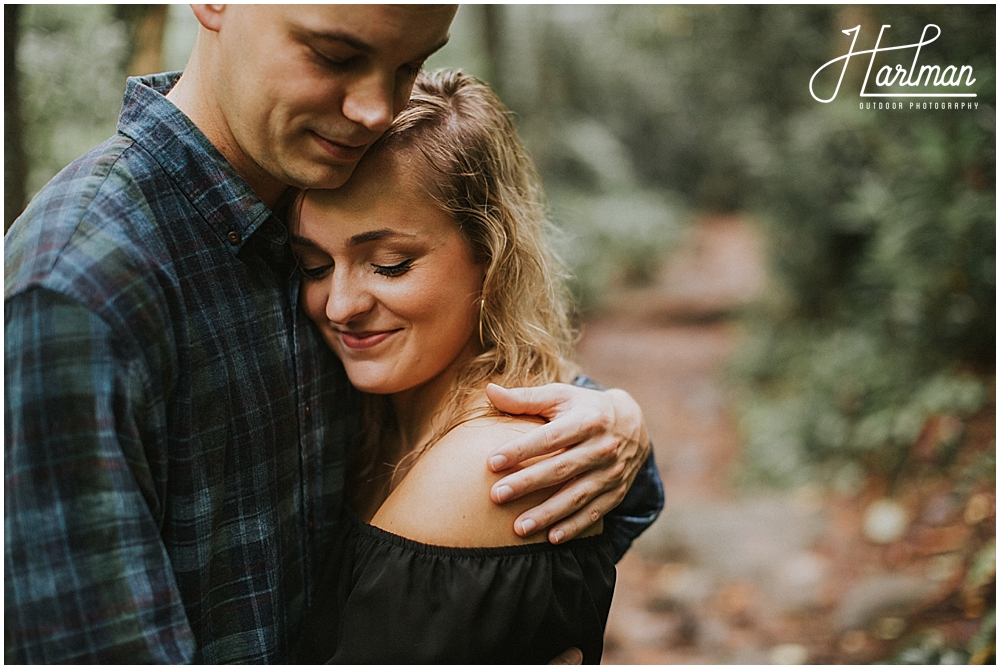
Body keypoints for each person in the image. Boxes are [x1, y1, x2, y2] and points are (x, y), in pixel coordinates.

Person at [4, 5, 662, 664]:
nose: (377, 110)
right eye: (335, 55)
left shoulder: (317, 183)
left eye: (410, 64)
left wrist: (615, 426)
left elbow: (510, 487)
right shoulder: (79, 290)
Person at [291, 69, 628, 664]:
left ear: (489, 254)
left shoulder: (491, 470)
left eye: (390, 264)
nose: (340, 306)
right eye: (315, 266)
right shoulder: (368, 417)